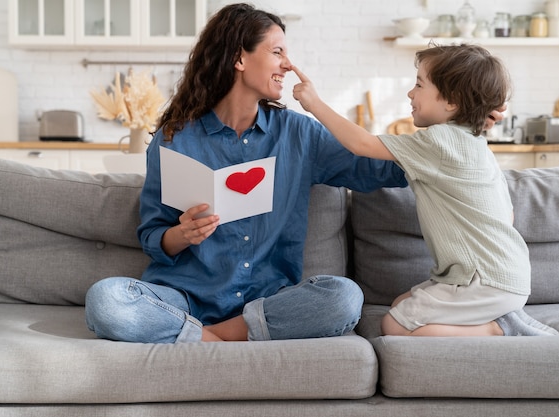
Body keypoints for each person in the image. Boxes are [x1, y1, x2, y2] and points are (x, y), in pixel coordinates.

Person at [84, 3, 411, 344]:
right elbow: (153, 236)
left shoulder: (298, 134)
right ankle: (224, 338)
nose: (288, 64)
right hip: (183, 297)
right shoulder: (175, 139)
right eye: (277, 52)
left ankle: (206, 339)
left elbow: (380, 169)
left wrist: (444, 142)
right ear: (240, 59)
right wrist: (183, 234)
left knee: (344, 297)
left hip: (266, 302)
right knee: (106, 300)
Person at [292, 44, 558, 337]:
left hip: (481, 281)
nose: (410, 93)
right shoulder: (475, 144)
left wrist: (314, 103)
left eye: (419, 84)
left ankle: (501, 328)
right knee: (400, 304)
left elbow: (362, 145)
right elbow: (505, 216)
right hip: (504, 275)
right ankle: (500, 314)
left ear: (452, 102)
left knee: (393, 325)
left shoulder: (438, 141)